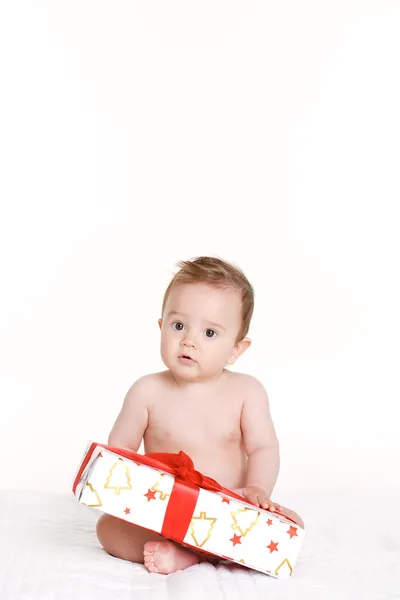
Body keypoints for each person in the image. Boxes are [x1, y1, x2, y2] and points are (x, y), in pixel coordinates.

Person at [96, 256, 304, 574]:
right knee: (107, 529)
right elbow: (120, 451)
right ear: (161, 327)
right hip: (166, 508)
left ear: (236, 349)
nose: (189, 340)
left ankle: (195, 554)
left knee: (293, 526)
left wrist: (257, 490)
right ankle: (196, 551)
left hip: (228, 508)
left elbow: (263, 447)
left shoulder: (247, 391)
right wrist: (127, 494)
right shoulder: (147, 391)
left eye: (209, 333)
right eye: (178, 326)